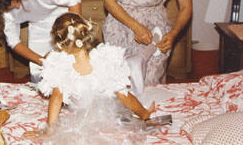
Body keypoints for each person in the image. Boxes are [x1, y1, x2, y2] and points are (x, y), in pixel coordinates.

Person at [24, 12, 154, 141]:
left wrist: (50, 131)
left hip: (89, 116)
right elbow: (125, 96)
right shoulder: (105, 60)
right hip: (108, 117)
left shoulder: (60, 64)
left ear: (59, 42)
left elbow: (57, 98)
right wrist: (144, 114)